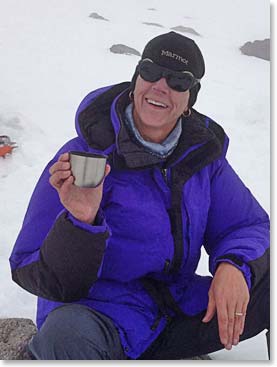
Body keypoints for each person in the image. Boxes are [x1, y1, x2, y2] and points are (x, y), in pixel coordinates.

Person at [9, 31, 269, 360]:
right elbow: (29, 265)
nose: (161, 86)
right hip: (99, 319)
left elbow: (247, 225)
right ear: (136, 79)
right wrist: (81, 223)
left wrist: (235, 267)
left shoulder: (202, 159)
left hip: (176, 309)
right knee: (66, 336)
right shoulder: (83, 158)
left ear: (191, 96)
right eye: (150, 71)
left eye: (178, 80)